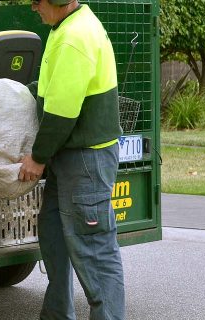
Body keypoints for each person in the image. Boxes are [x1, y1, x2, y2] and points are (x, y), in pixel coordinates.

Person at [18, 0, 125, 319]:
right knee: (54, 237)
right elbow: (55, 89)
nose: (34, 7)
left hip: (85, 161)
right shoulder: (67, 26)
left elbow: (63, 112)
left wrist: (37, 158)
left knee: (94, 253)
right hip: (71, 157)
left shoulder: (73, 37)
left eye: (37, 1)